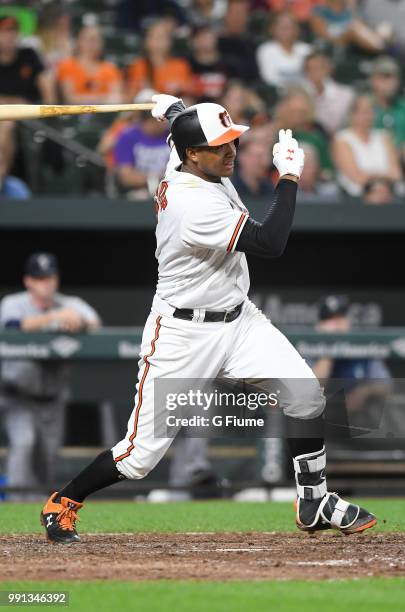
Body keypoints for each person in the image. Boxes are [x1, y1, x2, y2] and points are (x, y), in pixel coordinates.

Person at [39, 93, 376, 544]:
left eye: (232, 141)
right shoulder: (191, 203)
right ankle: (65, 500)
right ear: (192, 154)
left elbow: (180, 121)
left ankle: (313, 500)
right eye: (219, 146)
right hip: (182, 332)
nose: (230, 151)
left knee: (305, 395)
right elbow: (271, 242)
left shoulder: (189, 158)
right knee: (139, 458)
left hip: (239, 321)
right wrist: (290, 176)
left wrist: (173, 106)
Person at [0, 253, 100, 500]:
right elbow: (10, 326)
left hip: (53, 398)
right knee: (24, 445)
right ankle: (14, 514)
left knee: (47, 459)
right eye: (39, 278)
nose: (46, 283)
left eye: (49, 277)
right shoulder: (13, 303)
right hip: (18, 395)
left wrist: (80, 322)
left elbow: (95, 323)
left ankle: (38, 514)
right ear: (28, 281)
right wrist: (54, 318)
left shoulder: (69, 303)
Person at [312, 295, 392, 423]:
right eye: (329, 319)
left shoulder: (363, 346)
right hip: (319, 425)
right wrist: (329, 352)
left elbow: (387, 386)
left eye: (340, 318)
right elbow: (311, 390)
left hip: (359, 424)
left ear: (349, 321)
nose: (336, 324)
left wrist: (364, 391)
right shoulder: (308, 347)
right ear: (319, 326)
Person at [332, 93, 403, 196]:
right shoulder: (342, 139)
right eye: (365, 111)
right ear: (353, 114)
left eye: (372, 111)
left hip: (388, 191)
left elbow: (396, 174)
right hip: (357, 195)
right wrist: (381, 177)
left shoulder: (383, 137)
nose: (369, 116)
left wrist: (377, 179)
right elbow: (356, 177)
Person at [114, 90, 170, 198]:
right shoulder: (127, 136)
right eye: (149, 116)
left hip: (170, 190)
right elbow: (126, 176)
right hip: (139, 191)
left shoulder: (173, 136)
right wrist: (154, 180)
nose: (158, 122)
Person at [127, 20, 193, 100]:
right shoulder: (137, 66)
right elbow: (131, 97)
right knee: (146, 95)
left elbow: (187, 94)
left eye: (162, 37)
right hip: (146, 109)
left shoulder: (180, 65)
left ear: (170, 41)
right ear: (146, 41)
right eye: (154, 37)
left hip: (173, 109)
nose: (158, 42)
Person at [273, 87, 334, 174]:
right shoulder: (268, 134)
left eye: (301, 113)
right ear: (281, 108)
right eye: (292, 112)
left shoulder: (314, 137)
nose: (296, 118)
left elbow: (327, 171)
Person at [56, 26, 123, 104]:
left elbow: (117, 98)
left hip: (103, 115)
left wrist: (86, 98)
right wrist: (103, 98)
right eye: (90, 40)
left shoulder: (110, 69)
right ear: (79, 41)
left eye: (97, 40)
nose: (93, 44)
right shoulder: (67, 66)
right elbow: (70, 99)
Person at [0, 15, 54, 103]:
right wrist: (13, 101)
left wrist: (51, 107)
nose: (9, 36)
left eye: (13, 32)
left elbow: (44, 79)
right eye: (4, 32)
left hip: (30, 111)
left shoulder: (29, 54)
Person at [256, 11, 312, 90]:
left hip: (307, 93)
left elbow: (314, 76)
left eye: (290, 26)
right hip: (279, 94)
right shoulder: (266, 50)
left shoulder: (307, 49)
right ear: (272, 29)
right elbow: (269, 79)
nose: (286, 30)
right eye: (282, 26)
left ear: (297, 29)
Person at [302, 51, 354, 134]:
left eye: (318, 68)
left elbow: (335, 124)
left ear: (328, 69)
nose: (314, 72)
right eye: (310, 69)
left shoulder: (346, 94)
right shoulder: (300, 94)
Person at [310, 0, 385, 54]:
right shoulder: (319, 11)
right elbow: (325, 37)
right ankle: (381, 49)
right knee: (354, 28)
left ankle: (380, 46)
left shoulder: (352, 11)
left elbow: (363, 28)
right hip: (333, 46)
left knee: (384, 30)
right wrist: (347, 34)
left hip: (355, 44)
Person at [369, 56, 405, 164]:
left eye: (391, 77)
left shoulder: (403, 107)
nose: (388, 82)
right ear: (373, 80)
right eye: (383, 77)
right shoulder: (363, 107)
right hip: (370, 163)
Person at [218, 0, 259, 84]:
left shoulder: (253, 44)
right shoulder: (216, 43)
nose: (238, 18)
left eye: (243, 14)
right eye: (235, 13)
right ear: (226, 16)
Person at [189, 25, 228, 100]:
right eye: (203, 37)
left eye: (210, 37)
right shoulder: (186, 64)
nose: (207, 40)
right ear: (194, 41)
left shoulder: (228, 64)